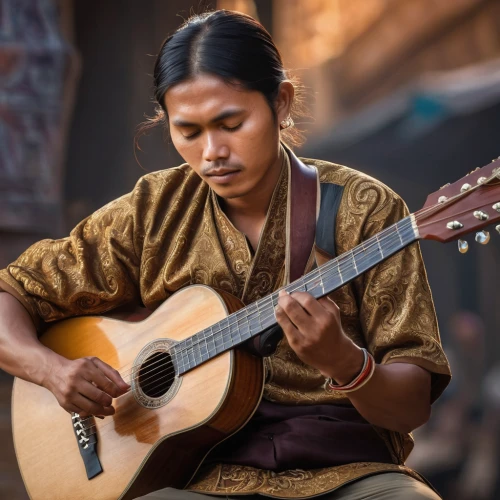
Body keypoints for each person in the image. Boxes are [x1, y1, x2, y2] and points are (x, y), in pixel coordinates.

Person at [0, 10, 451, 500]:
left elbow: (410, 408)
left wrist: (346, 362)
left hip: (349, 474)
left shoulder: (368, 210)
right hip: (196, 481)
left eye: (231, 123)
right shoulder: (151, 214)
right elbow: (11, 293)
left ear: (281, 103)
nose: (212, 151)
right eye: (188, 132)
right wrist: (51, 369)